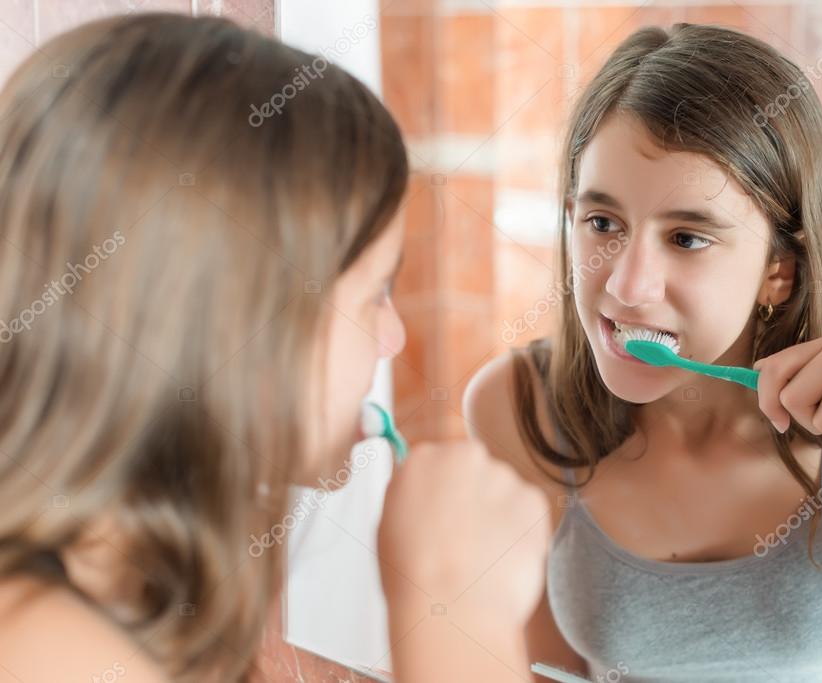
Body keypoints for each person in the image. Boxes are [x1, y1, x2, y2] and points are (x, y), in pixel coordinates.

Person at [465, 22, 822, 682]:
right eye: (602, 223)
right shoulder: (520, 407)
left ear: (777, 270)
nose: (624, 285)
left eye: (687, 238)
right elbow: (547, 668)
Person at [0, 13, 548, 682]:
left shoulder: (111, 592)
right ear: (229, 324)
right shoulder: (48, 650)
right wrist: (456, 602)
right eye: (376, 291)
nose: (393, 337)